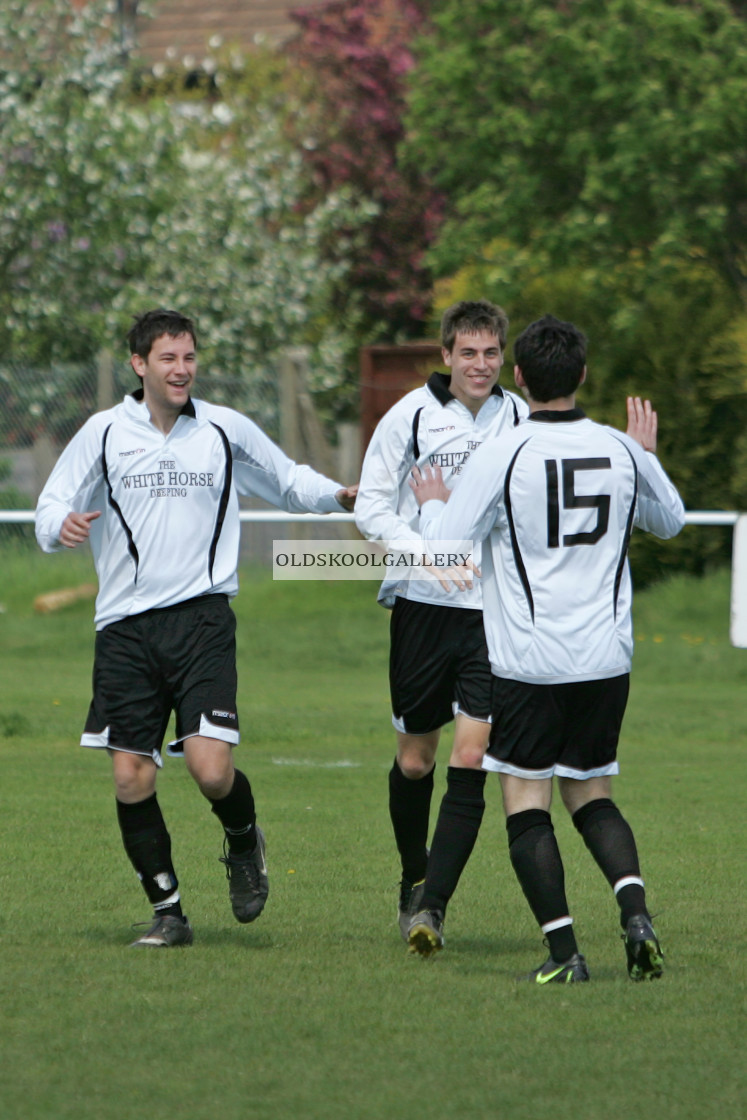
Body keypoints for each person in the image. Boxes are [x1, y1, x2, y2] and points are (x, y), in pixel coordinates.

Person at [35, 308, 357, 948]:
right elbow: (52, 501)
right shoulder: (103, 432)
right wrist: (58, 528)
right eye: (168, 359)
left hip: (203, 620)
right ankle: (169, 913)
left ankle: (243, 842)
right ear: (139, 365)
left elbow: (287, 481)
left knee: (210, 771)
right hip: (125, 629)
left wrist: (338, 496)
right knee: (132, 777)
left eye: (189, 358)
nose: (182, 370)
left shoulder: (222, 428)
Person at [409, 313, 685, 982]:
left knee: (525, 804)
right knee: (592, 796)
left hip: (531, 663)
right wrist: (644, 457)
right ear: (582, 375)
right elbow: (669, 522)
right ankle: (636, 916)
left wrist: (439, 500)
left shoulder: (501, 451)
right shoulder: (620, 450)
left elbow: (449, 543)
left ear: (520, 377)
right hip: (604, 659)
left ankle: (564, 956)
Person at [355, 300, 528, 940]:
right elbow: (372, 509)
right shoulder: (411, 417)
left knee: (473, 755)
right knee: (414, 763)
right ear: (446, 354)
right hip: (423, 609)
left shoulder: (521, 420)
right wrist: (429, 551)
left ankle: (433, 906)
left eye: (490, 353)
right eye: (468, 353)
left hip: (492, 614)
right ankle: (412, 874)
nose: (480, 365)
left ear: (502, 357)